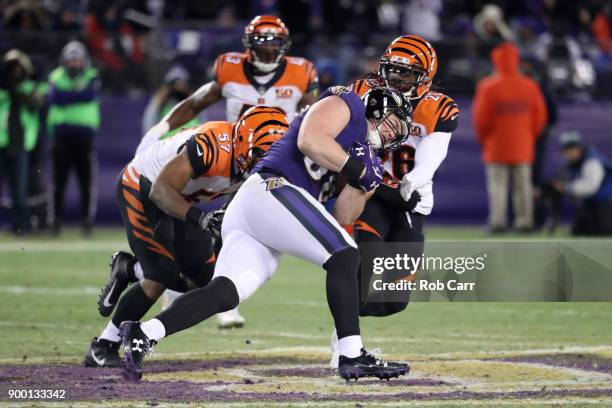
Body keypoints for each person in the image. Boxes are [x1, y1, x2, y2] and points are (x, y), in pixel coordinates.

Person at [118, 86, 412, 382]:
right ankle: (351, 353)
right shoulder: (347, 104)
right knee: (346, 254)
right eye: (393, 123)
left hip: (264, 209)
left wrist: (363, 181)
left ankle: (143, 334)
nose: (392, 133)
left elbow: (342, 217)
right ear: (377, 106)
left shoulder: (367, 159)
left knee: (226, 292)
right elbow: (310, 140)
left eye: (398, 132)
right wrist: (356, 168)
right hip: (272, 188)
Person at [139, 15, 319, 329]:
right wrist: (158, 130)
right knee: (207, 217)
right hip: (232, 156)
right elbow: (195, 102)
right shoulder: (230, 68)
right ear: (248, 45)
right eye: (262, 45)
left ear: (285, 46)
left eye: (275, 44)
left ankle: (213, 293)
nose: (267, 51)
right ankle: (183, 284)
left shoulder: (300, 73)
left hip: (273, 162)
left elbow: (315, 114)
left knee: (241, 230)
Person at [84, 106, 288, 367]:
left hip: (182, 198)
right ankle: (103, 346)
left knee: (207, 281)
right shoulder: (213, 145)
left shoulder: (257, 164)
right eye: (261, 152)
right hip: (143, 186)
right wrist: (200, 218)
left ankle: (131, 270)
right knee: (159, 276)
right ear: (243, 143)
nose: (265, 160)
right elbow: (160, 191)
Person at [339, 35, 458, 368]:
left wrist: (415, 179)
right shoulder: (363, 91)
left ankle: (343, 309)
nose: (398, 78)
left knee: (394, 301)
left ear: (426, 74)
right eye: (393, 70)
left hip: (411, 200)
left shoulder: (438, 106)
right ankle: (346, 345)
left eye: (408, 73)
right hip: (372, 190)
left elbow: (434, 152)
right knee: (363, 261)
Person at [473, 42, 547, 233]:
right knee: (523, 187)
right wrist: (529, 136)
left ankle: (498, 222)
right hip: (523, 145)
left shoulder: (488, 86)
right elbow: (540, 117)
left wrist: (485, 140)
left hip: (496, 145)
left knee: (497, 186)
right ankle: (525, 222)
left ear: (495, 61)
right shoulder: (529, 85)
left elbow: (481, 119)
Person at [47, 41, 101, 235]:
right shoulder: (56, 76)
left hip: (84, 137)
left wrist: (68, 96)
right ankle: (55, 221)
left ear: (83, 60)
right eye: (71, 60)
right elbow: (55, 98)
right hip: (61, 136)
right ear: (64, 61)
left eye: (77, 59)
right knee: (58, 181)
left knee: (85, 181)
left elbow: (88, 95)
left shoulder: (92, 76)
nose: (74, 63)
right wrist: (76, 95)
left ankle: (86, 221)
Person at [0, 49, 44, 234]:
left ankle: (22, 225)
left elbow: (36, 102)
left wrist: (15, 91)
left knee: (19, 191)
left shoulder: (30, 88)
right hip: (2, 145)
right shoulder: (2, 92)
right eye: (12, 69)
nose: (15, 72)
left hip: (20, 147)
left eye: (19, 68)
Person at [553, 131, 612, 235]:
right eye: (567, 149)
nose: (570, 152)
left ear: (580, 148)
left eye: (572, 148)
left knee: (604, 231)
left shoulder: (592, 161)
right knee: (579, 232)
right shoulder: (570, 164)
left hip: (606, 204)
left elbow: (591, 186)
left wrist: (568, 188)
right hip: (591, 205)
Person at [141, 65, 197, 139]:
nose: (179, 88)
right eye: (174, 84)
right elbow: (148, 129)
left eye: (182, 84)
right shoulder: (160, 106)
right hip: (166, 149)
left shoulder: (194, 106)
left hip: (190, 148)